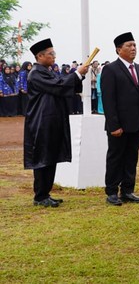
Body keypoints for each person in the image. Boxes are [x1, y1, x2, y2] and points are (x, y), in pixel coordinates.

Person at [23, 38, 89, 207]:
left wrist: (79, 76)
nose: (54, 56)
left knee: (51, 156)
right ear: (40, 56)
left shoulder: (48, 71)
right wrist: (76, 73)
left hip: (53, 120)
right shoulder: (36, 73)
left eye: (54, 53)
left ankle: (46, 193)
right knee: (42, 158)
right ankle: (39, 196)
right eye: (50, 54)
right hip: (41, 122)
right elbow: (59, 86)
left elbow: (64, 86)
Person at [100, 32, 139, 206]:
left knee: (131, 157)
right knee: (116, 157)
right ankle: (112, 192)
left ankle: (128, 190)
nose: (133, 48)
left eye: (135, 45)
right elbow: (108, 100)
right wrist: (114, 125)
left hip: (137, 124)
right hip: (119, 126)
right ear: (118, 49)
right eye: (129, 45)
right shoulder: (110, 69)